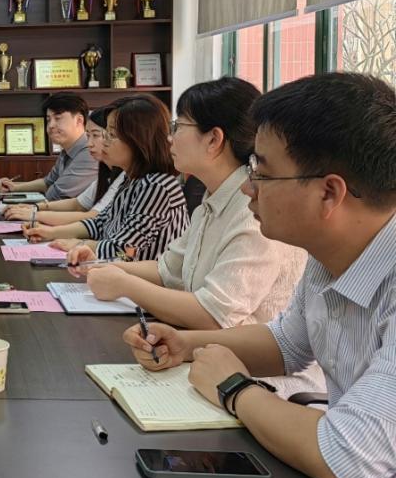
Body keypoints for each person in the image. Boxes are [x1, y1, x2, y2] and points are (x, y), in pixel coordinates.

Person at [123, 73, 396, 478]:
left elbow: (346, 457)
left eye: (262, 174)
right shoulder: (327, 255)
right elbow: (286, 344)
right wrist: (185, 345)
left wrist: (234, 387)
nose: (248, 187)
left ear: (329, 192)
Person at [76, 79, 318, 394]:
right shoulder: (213, 198)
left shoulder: (253, 210)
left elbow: (214, 315)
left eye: (178, 127)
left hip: (259, 380)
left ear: (213, 139)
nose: (170, 137)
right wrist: (105, 267)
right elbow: (168, 268)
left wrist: (124, 284)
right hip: (208, 358)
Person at [27, 95, 188, 261]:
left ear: (138, 140)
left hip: (137, 273)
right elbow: (101, 222)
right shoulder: (130, 179)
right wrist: (51, 232)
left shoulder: (157, 187)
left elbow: (127, 251)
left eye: (111, 134)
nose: (104, 142)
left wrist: (81, 245)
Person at [3, 105, 124, 226]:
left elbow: (92, 216)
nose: (89, 144)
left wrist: (36, 214)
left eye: (58, 118)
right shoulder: (105, 171)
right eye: (48, 119)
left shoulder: (121, 174)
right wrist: (35, 207)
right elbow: (78, 203)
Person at [0, 93, 98, 201]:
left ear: (79, 120)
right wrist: (14, 187)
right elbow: (48, 182)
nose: (51, 125)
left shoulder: (90, 152)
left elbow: (56, 195)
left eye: (58, 118)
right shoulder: (67, 150)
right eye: (48, 119)